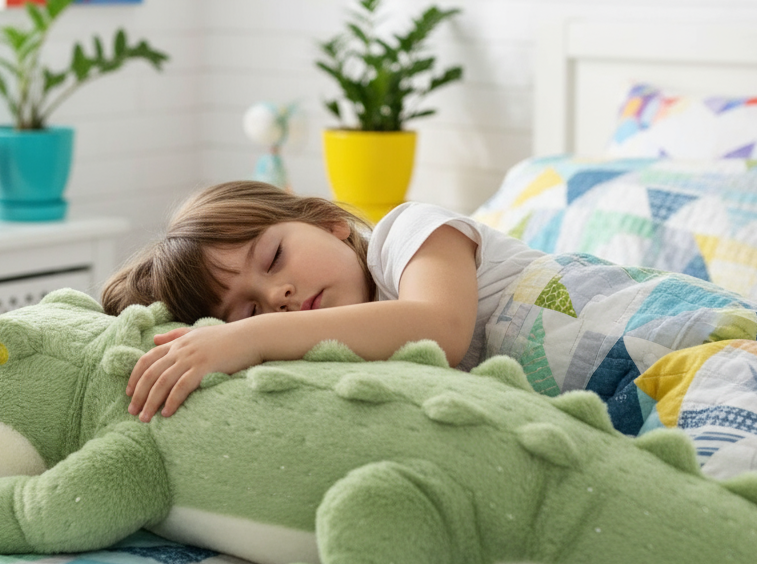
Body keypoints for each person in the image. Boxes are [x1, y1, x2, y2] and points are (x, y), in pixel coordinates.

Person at [101, 181, 543, 423]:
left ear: (329, 222)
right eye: (249, 310)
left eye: (274, 257)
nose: (276, 297)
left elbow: (441, 329)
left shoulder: (408, 234)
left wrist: (251, 335)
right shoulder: (332, 355)